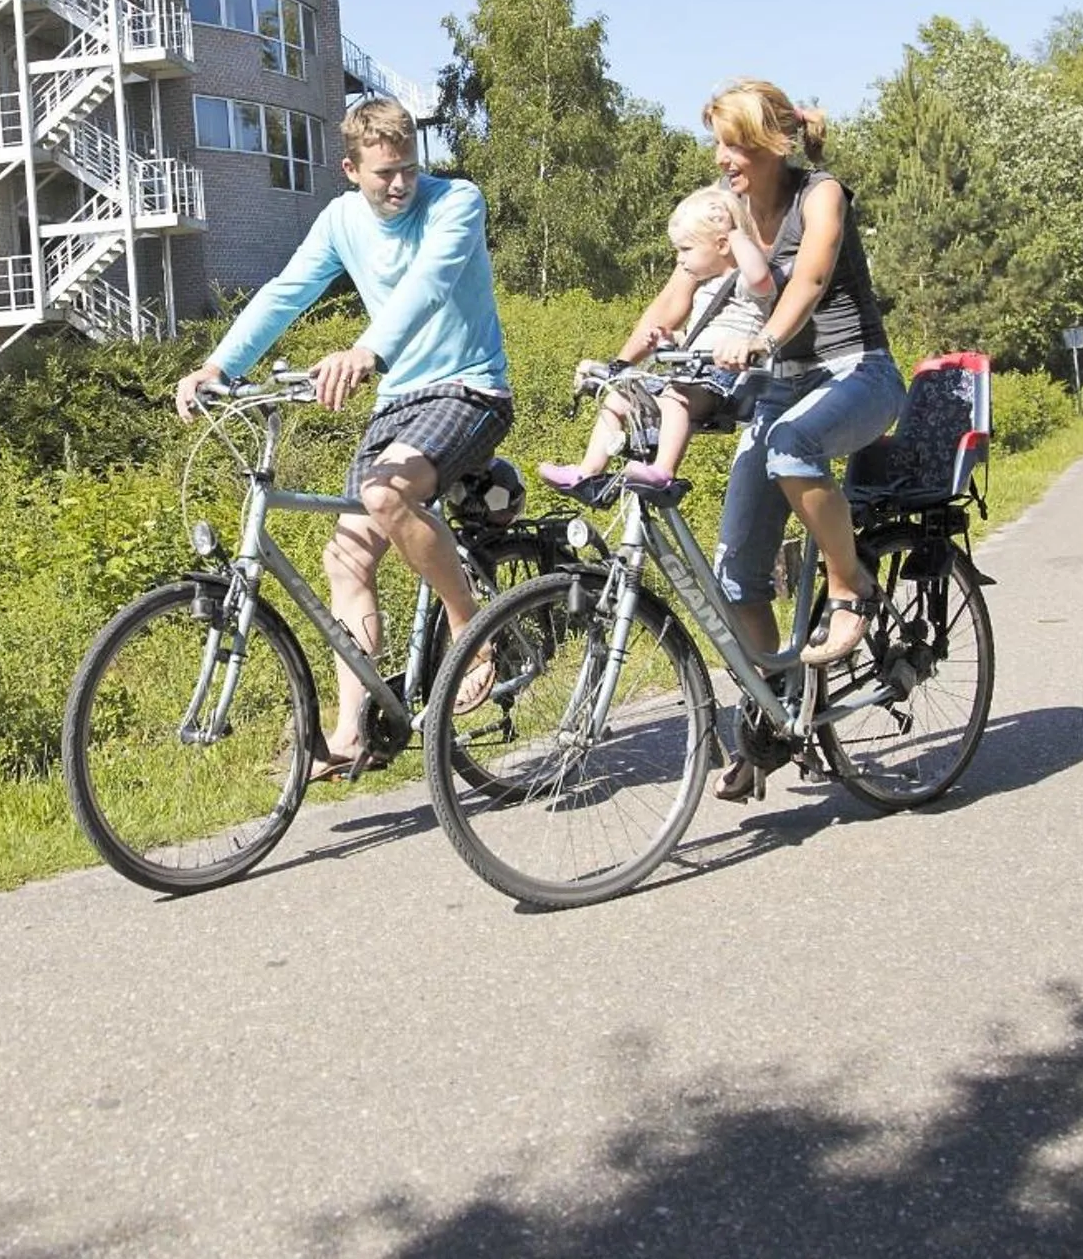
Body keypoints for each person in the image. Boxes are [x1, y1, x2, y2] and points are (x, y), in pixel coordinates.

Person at [546, 78, 905, 804]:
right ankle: (776, 715)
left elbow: (809, 277)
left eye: (733, 145)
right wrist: (621, 366)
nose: (723, 158)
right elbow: (676, 294)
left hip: (856, 370)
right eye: (718, 145)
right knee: (737, 568)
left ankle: (850, 588)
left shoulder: (820, 195)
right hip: (782, 382)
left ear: (770, 143)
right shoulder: (727, 209)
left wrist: (762, 341)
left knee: (791, 445)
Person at [174, 97, 514, 780]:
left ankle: (474, 634)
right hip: (398, 404)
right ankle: (352, 730)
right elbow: (286, 291)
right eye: (385, 172)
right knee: (345, 559)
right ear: (350, 168)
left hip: (469, 390)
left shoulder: (457, 202)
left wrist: (365, 351)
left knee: (385, 494)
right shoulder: (340, 219)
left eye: (408, 169)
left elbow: (428, 285)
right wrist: (220, 365)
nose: (400, 185)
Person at [536, 184, 774, 499]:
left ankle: (662, 471)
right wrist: (671, 338)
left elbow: (761, 279)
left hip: (721, 378)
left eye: (686, 250)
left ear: (721, 244)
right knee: (618, 398)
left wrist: (736, 234)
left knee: (675, 397)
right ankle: (589, 473)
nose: (680, 260)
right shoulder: (706, 287)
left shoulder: (743, 282)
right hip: (693, 372)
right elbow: (698, 333)